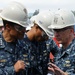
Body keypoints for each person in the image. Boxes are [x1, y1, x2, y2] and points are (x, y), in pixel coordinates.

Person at [18, 11, 59, 75]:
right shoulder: (19, 43)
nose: (46, 38)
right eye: (45, 35)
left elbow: (59, 54)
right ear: (36, 27)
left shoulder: (45, 42)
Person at [0, 2, 28, 75]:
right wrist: (13, 69)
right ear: (8, 27)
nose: (24, 30)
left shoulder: (24, 43)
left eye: (24, 27)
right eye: (20, 28)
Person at [48, 9, 75, 75]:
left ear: (71, 31)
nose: (56, 34)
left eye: (60, 30)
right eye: (55, 30)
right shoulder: (60, 51)